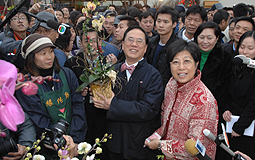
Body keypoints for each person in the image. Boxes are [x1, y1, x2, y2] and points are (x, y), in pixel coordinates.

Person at [92, 25, 164, 160]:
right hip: (114, 142)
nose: (134, 45)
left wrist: (112, 105)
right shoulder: (112, 70)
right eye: (130, 40)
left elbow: (148, 109)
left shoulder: (153, 75)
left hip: (139, 143)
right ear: (123, 44)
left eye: (139, 41)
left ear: (146, 48)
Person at [15, 33, 87, 159]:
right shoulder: (27, 87)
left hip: (74, 143)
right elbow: (38, 120)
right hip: (47, 147)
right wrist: (60, 141)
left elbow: (78, 106)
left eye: (51, 51)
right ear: (32, 57)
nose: (49, 57)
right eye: (43, 53)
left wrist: (75, 140)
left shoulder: (67, 74)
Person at [144, 39, 218, 159]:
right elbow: (165, 116)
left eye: (187, 61)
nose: (181, 67)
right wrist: (156, 135)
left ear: (197, 63)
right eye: (175, 62)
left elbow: (195, 147)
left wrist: (160, 145)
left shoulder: (204, 101)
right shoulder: (172, 85)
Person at [222, 30, 255, 160]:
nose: (245, 51)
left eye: (250, 48)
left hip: (248, 126)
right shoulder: (235, 64)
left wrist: (240, 126)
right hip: (230, 122)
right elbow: (225, 91)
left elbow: (253, 103)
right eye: (242, 47)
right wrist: (226, 109)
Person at [145, 6, 178, 87]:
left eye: (166, 22)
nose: (161, 25)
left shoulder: (178, 46)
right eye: (158, 21)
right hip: (149, 86)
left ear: (174, 24)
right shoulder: (151, 42)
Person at [0, 7, 31, 71]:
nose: (20, 21)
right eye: (15, 18)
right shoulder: (7, 39)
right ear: (10, 25)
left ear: (28, 23)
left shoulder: (32, 34)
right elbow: (6, 47)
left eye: (23, 18)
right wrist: (27, 43)